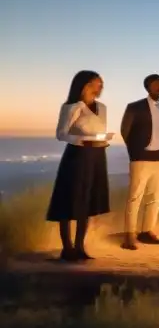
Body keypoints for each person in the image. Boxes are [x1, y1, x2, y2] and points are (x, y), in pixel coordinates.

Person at [47, 70, 112, 261]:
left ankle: (80, 246)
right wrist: (82, 139)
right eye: (97, 83)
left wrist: (102, 140)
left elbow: (100, 131)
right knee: (69, 199)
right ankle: (67, 248)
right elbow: (61, 134)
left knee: (88, 200)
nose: (100, 87)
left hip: (97, 156)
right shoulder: (72, 107)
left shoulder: (102, 107)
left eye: (101, 84)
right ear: (85, 85)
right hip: (77, 156)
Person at [120, 73, 159, 250]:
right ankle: (129, 236)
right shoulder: (134, 107)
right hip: (140, 159)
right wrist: (135, 154)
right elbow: (125, 131)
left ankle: (147, 232)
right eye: (158, 84)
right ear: (148, 87)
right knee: (134, 198)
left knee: (155, 198)